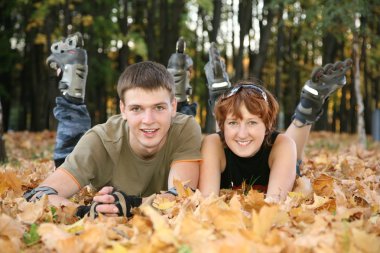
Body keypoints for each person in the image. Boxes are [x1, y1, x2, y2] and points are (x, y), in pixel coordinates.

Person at [24, 33, 202, 218]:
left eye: (158, 107)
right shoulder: (99, 141)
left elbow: (182, 194)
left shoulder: (186, 128)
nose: (148, 119)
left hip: (173, 122)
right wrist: (86, 211)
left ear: (173, 107)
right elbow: (38, 195)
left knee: (177, 119)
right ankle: (72, 85)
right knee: (68, 146)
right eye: (136, 109)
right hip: (94, 152)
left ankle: (176, 84)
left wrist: (130, 205)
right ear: (122, 109)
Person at [199, 43, 352, 202]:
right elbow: (206, 203)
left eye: (252, 122)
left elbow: (273, 205)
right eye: (233, 123)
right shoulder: (213, 143)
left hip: (281, 152)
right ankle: (219, 98)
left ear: (267, 125)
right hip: (225, 143)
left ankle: (308, 107)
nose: (242, 133)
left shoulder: (282, 146)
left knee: (290, 151)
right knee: (226, 135)